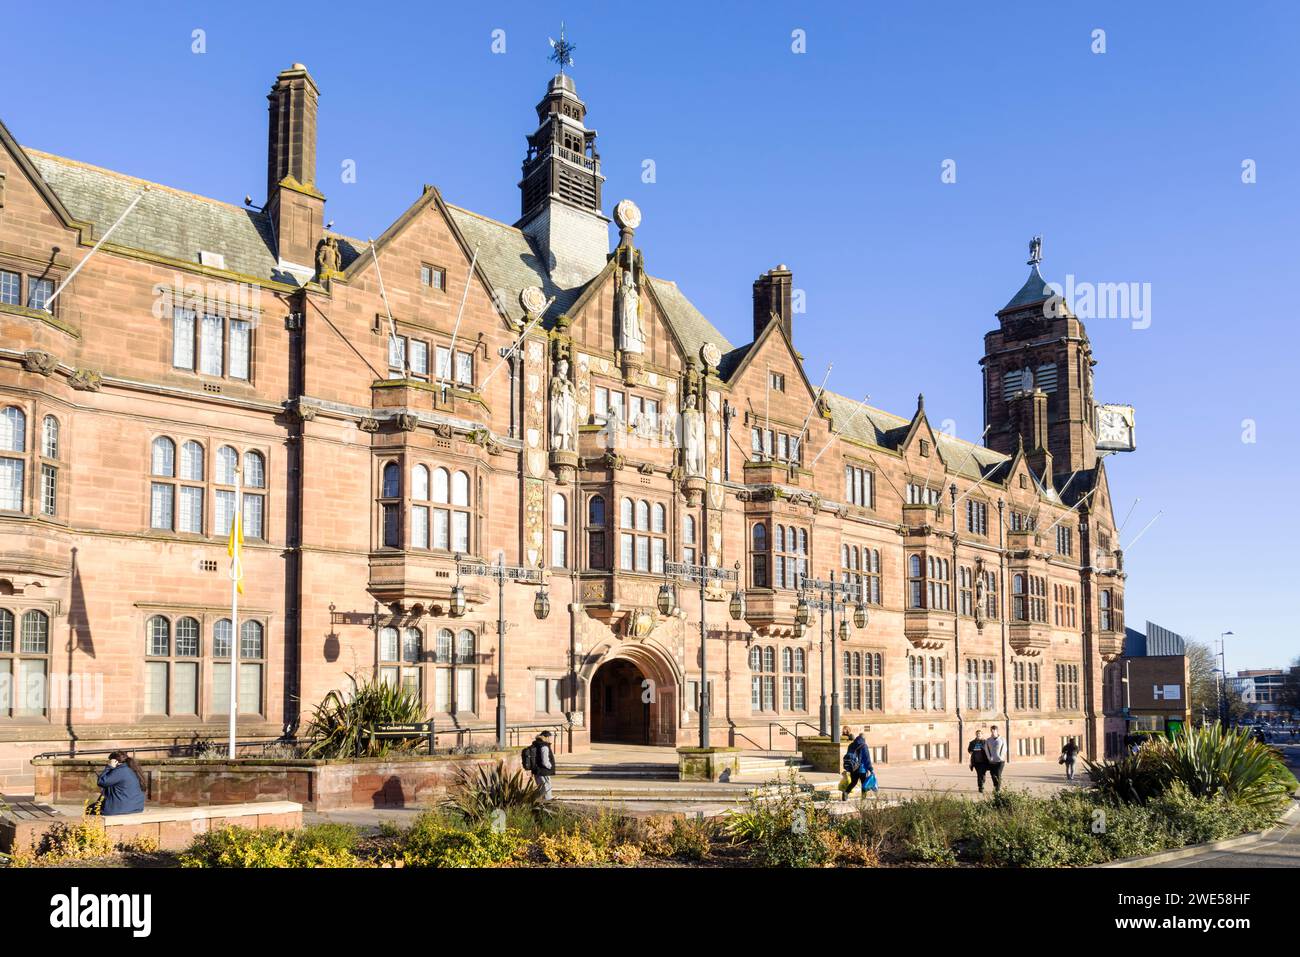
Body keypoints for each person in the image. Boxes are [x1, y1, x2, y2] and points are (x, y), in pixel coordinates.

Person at [97, 750, 146, 816]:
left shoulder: (120, 770)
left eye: (109, 761)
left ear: (115, 761)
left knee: (90, 809)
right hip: (136, 807)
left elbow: (101, 782)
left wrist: (109, 767)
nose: (108, 763)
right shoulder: (134, 769)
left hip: (120, 808)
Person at [841, 728, 877, 800]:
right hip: (862, 769)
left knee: (853, 782)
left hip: (853, 767)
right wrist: (871, 769)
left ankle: (846, 792)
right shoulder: (864, 745)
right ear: (864, 738)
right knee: (864, 784)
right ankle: (863, 799)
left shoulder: (851, 745)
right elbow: (867, 759)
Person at [529, 730, 556, 800]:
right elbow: (545, 761)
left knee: (540, 788)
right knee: (547, 787)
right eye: (550, 737)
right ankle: (548, 801)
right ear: (546, 737)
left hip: (537, 770)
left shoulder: (536, 744)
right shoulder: (544, 746)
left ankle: (540, 802)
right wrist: (550, 767)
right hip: (543, 771)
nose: (550, 739)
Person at [984, 726, 1007, 793]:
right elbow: (986, 749)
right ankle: (995, 786)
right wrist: (989, 757)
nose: (993, 732)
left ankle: (998, 789)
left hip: (1000, 761)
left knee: (998, 774)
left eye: (994, 731)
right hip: (992, 761)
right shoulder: (988, 740)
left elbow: (1004, 748)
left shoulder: (1002, 739)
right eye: (992, 731)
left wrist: (1001, 757)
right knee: (993, 775)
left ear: (997, 731)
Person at [967, 728, 990, 793]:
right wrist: (971, 753)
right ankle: (980, 786)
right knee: (979, 774)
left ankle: (982, 783)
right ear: (976, 735)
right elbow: (969, 750)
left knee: (983, 774)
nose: (978, 735)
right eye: (977, 734)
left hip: (984, 761)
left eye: (979, 734)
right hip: (976, 761)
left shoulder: (985, 742)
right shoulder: (972, 742)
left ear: (982, 735)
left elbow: (988, 750)